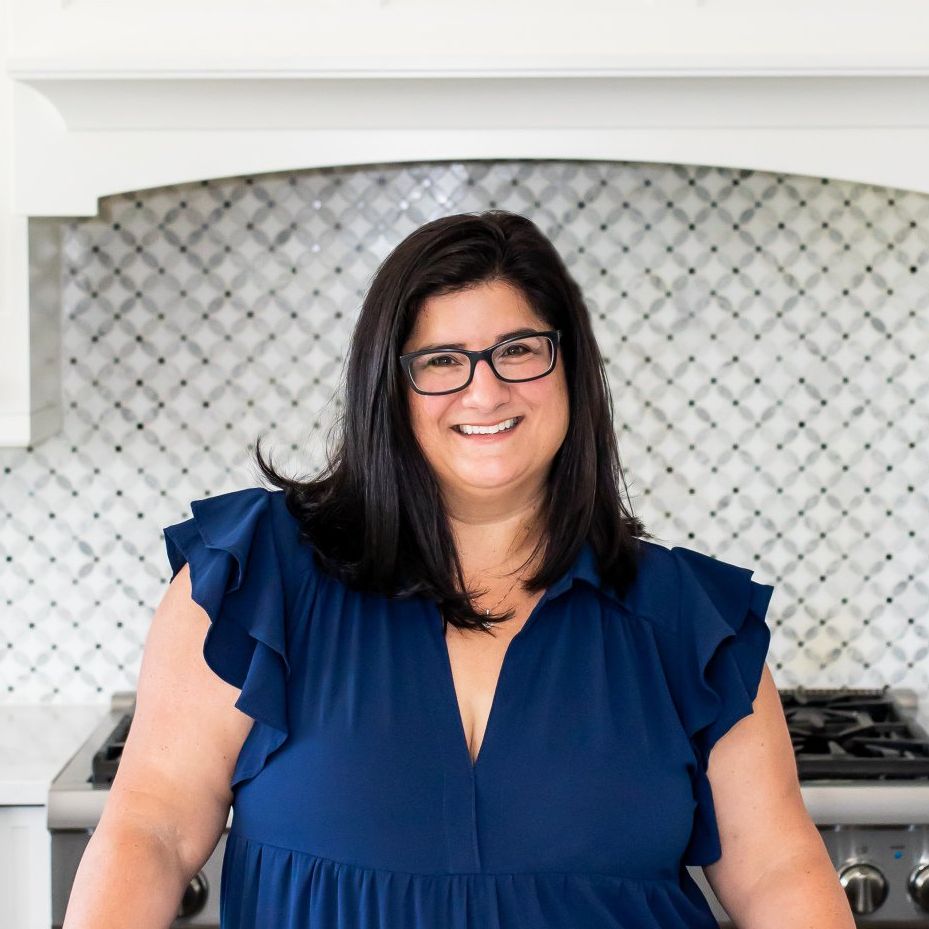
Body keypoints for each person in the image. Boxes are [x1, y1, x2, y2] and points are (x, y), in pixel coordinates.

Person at [63, 210, 855, 929]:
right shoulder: (257, 580)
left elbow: (780, 874)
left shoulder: (689, 622)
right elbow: (152, 829)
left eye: (518, 350)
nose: (485, 388)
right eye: (441, 360)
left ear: (570, 369)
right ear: (390, 387)